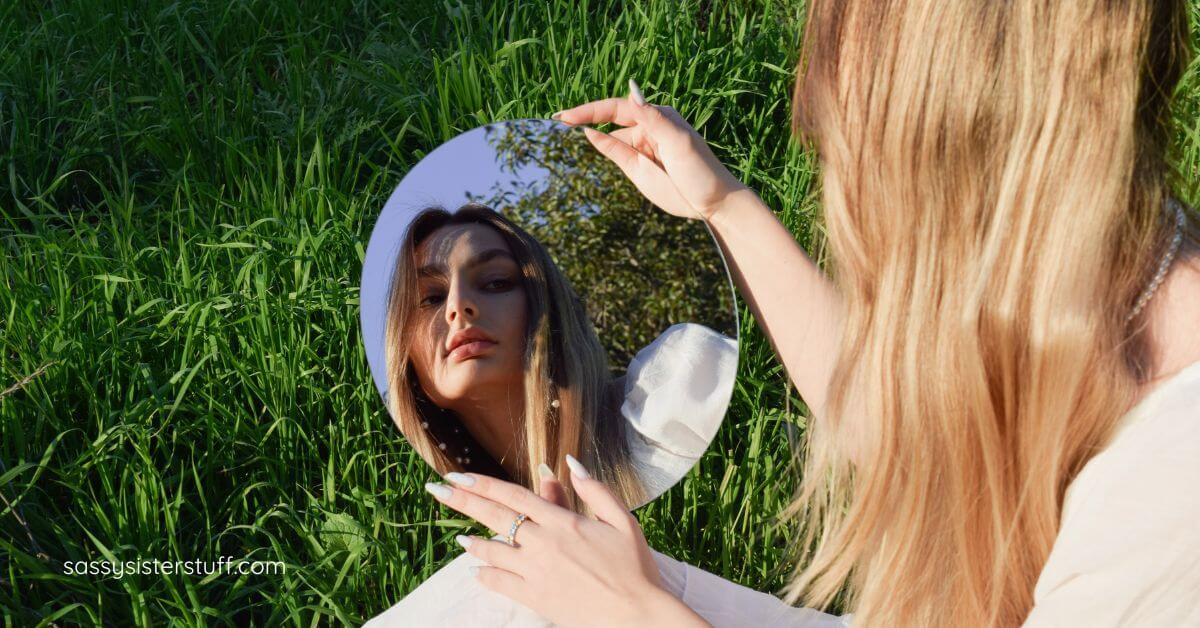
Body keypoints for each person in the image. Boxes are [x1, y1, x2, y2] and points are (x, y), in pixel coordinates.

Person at [415, 1, 1200, 626]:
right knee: (506, 594)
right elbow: (908, 427)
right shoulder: (1114, 268)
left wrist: (634, 614)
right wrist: (724, 206)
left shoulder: (1178, 484)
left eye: (852, 152)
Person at [382, 203, 737, 511]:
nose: (458, 306)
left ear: (545, 307)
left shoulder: (675, 394)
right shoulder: (427, 514)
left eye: (495, 282)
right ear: (404, 354)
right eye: (430, 297)